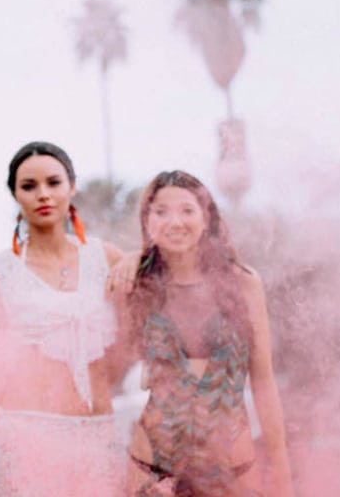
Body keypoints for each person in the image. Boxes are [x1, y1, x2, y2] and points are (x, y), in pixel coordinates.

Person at [0, 141, 128, 497]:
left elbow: (132, 339)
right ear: (14, 194)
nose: (43, 194)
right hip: (26, 441)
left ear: (71, 187)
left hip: (97, 439)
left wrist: (134, 258)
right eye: (28, 186)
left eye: (53, 183)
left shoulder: (106, 257)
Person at [123, 171, 294, 497]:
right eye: (161, 211)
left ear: (207, 218)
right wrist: (129, 260)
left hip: (233, 465)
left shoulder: (243, 283)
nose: (175, 221)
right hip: (154, 471)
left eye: (187, 210)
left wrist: (281, 469)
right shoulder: (137, 283)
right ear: (147, 221)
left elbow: (263, 381)